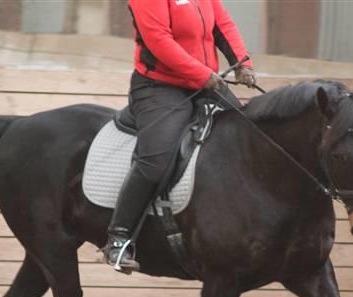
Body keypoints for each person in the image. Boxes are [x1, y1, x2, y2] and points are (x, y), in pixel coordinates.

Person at [104, 0, 256, 273]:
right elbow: (159, 41)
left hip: (208, 82)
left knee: (248, 139)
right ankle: (119, 237)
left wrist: (242, 63)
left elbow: (222, 24)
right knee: (155, 160)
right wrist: (201, 73)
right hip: (160, 87)